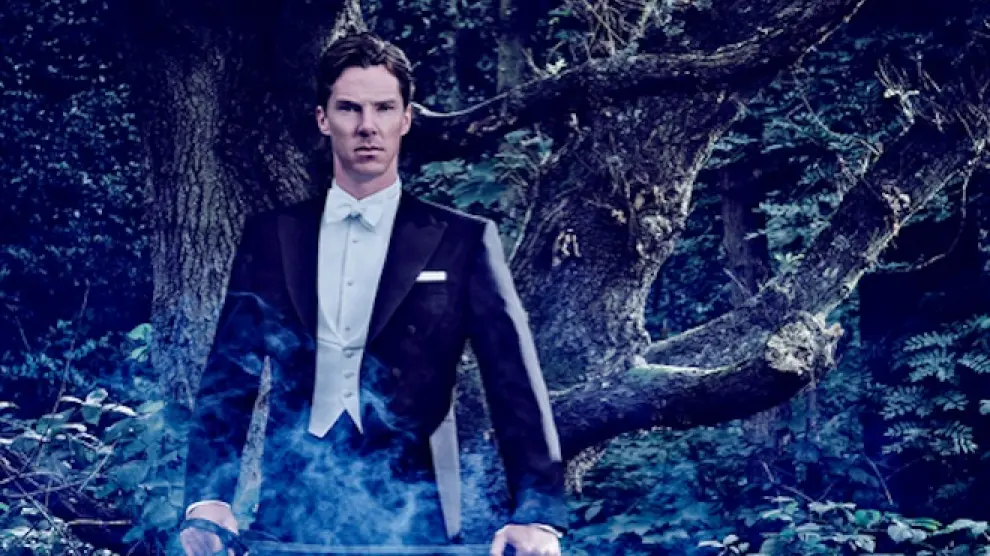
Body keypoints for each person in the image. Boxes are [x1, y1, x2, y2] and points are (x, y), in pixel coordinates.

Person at [178, 32, 567, 556]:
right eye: (349, 108)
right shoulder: (271, 236)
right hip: (291, 506)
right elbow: (230, 375)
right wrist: (207, 498)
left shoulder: (464, 240)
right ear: (323, 119)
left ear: (405, 119)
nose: (367, 126)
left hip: (419, 509)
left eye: (384, 108)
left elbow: (513, 381)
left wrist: (537, 514)